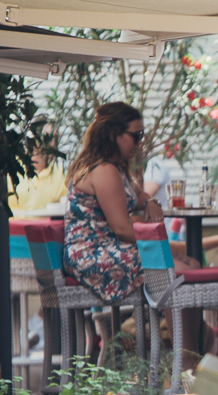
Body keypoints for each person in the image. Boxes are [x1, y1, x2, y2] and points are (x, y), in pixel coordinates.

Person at [64, 102, 195, 305]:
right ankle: (177, 327)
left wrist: (149, 201)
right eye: (136, 136)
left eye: (142, 135)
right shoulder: (104, 170)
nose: (140, 142)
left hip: (110, 248)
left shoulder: (116, 167)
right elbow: (122, 229)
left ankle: (181, 327)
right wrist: (164, 248)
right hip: (92, 255)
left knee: (191, 263)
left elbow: (138, 195)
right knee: (181, 269)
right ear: (113, 134)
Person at [8, 148, 67, 212]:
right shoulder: (12, 169)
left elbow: (66, 206)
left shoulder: (60, 176)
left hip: (45, 218)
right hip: (13, 217)